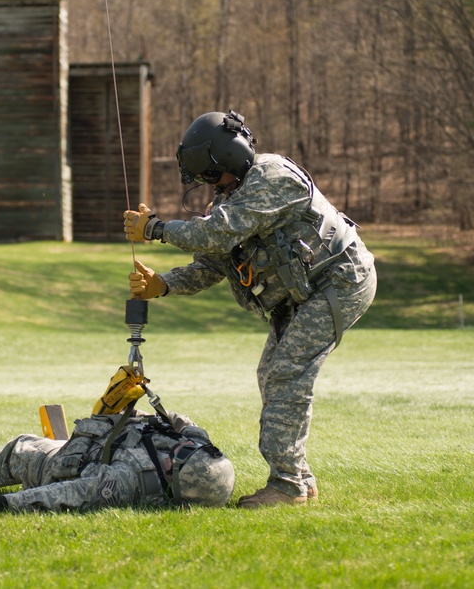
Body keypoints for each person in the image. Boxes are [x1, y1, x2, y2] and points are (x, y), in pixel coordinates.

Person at [123, 110, 376, 509]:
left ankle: (288, 486)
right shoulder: (232, 197)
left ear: (229, 159)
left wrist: (155, 229)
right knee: (272, 373)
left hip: (339, 280)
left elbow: (216, 232)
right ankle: (299, 480)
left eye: (211, 175)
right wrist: (164, 284)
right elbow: (212, 261)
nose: (210, 185)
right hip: (305, 291)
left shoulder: (270, 178)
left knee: (286, 373)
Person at [0, 408, 235, 513]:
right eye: (189, 446)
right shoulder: (198, 449)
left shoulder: (128, 481)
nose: (182, 445)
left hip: (71, 467)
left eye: (181, 455)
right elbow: (184, 423)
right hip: (104, 437)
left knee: (22, 449)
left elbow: (71, 494)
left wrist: (12, 503)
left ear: (177, 481)